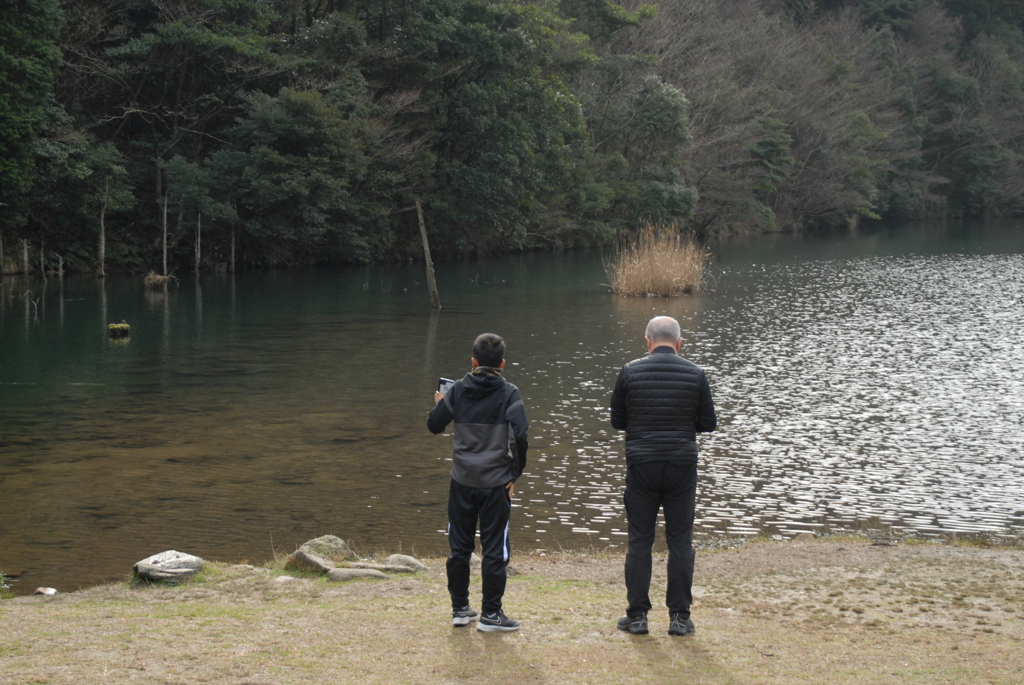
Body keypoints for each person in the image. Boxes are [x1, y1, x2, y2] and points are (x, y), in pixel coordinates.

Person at [609, 316, 717, 636]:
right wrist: (683, 424)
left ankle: (638, 616)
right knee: (680, 541)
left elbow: (618, 421)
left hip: (641, 464)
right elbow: (708, 423)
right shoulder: (696, 374)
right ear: (679, 343)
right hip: (681, 465)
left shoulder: (630, 371)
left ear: (648, 341)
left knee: (640, 540)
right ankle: (680, 618)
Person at [428, 332, 529, 632]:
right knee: (495, 548)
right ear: (502, 363)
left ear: (473, 361)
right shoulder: (509, 393)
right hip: (496, 483)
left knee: (459, 547)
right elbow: (521, 436)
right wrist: (515, 473)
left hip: (462, 481)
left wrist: (442, 404)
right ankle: (491, 614)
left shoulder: (457, 391)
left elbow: (434, 426)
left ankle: (460, 609)